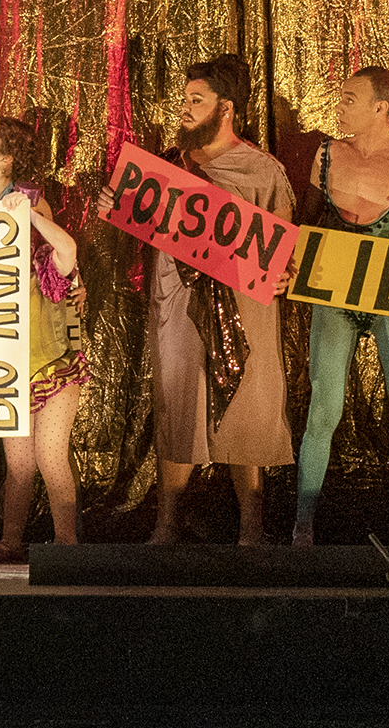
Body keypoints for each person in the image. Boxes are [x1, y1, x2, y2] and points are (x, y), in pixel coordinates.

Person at [147, 56, 295, 543]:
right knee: (178, 404)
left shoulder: (262, 170)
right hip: (179, 304)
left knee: (248, 409)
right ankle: (166, 526)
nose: (185, 110)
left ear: (226, 108)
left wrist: (287, 275)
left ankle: (251, 530)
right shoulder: (167, 166)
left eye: (196, 101)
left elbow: (287, 246)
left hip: (245, 306)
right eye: (184, 101)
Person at [294, 65, 389, 548]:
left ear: (382, 106)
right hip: (335, 289)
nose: (340, 107)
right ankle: (303, 526)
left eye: (350, 98)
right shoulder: (328, 153)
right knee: (322, 410)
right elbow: (305, 221)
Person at [0, 115, 88, 561]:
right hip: (1, 352)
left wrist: (27, 213)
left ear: (7, 157)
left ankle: (67, 543)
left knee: (51, 456)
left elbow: (65, 257)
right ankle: (12, 541)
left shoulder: (32, 202)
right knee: (18, 463)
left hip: (47, 352)